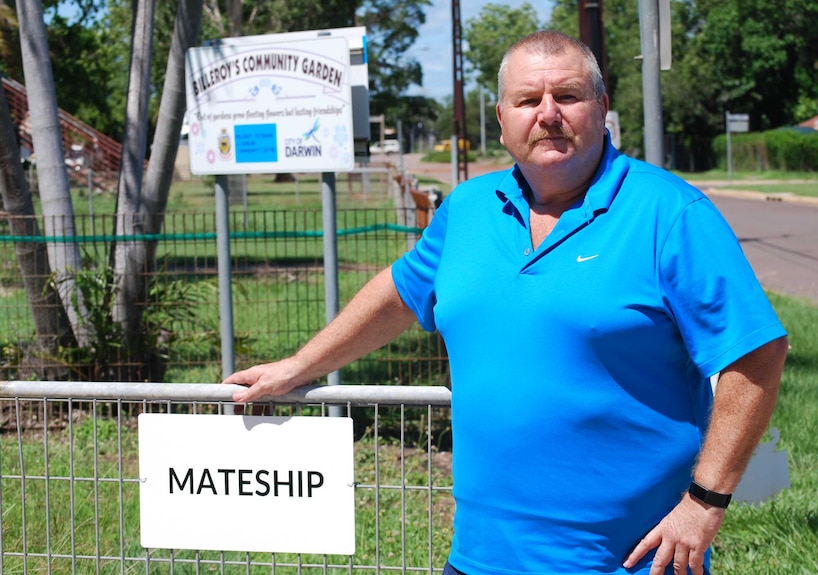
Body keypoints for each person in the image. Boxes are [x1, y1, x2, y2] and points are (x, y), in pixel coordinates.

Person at [224, 30, 788, 575]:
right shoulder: (468, 208)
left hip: (628, 562)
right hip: (480, 558)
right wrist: (300, 366)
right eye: (527, 99)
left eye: (567, 96)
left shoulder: (669, 212)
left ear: (601, 107)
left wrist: (706, 502)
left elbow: (755, 353)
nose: (547, 113)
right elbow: (399, 294)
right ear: (502, 119)